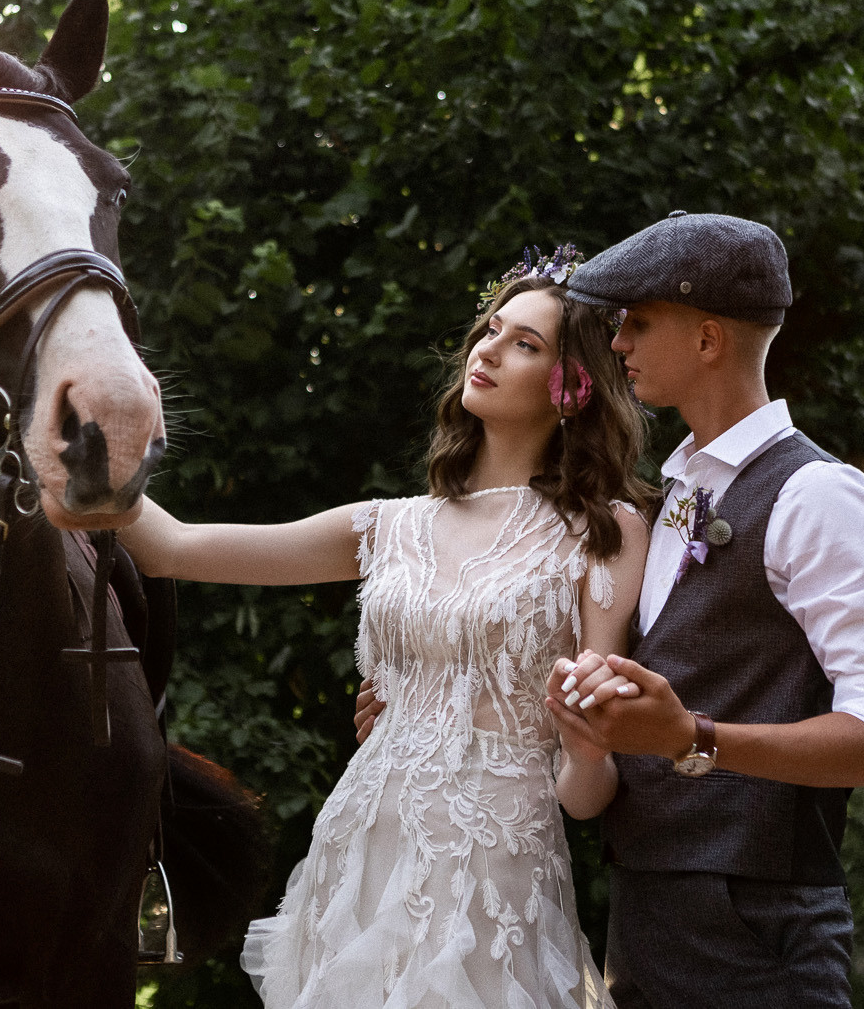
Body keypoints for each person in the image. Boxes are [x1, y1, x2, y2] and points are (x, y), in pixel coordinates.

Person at [359, 212, 864, 1008]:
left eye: (640, 322)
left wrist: (695, 738)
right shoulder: (667, 502)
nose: (617, 342)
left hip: (757, 933)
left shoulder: (818, 496)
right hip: (645, 922)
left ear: (707, 339)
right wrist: (433, 696)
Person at [119, 252, 655, 1009]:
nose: (488, 350)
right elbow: (174, 546)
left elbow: (585, 794)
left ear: (574, 387)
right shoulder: (389, 525)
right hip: (363, 849)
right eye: (490, 329)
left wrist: (591, 747)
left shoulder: (607, 532)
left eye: (525, 344)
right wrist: (63, 439)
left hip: (494, 876)